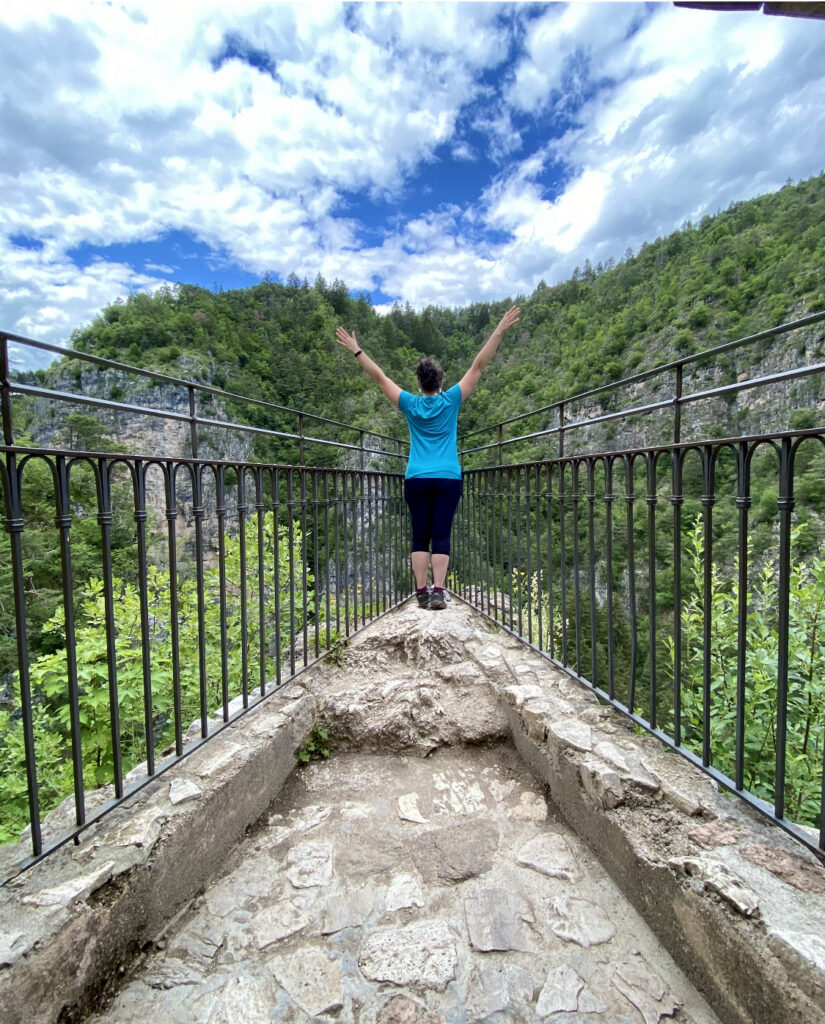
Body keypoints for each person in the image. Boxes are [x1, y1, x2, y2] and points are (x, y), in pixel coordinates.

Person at [335, 306, 520, 609]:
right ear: (440, 382)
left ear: (420, 385)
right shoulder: (451, 401)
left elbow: (380, 378)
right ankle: (438, 591)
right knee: (441, 533)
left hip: (417, 478)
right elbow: (478, 367)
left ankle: (420, 592)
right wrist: (498, 330)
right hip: (448, 477)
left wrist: (357, 351)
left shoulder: (410, 404)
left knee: (420, 535)